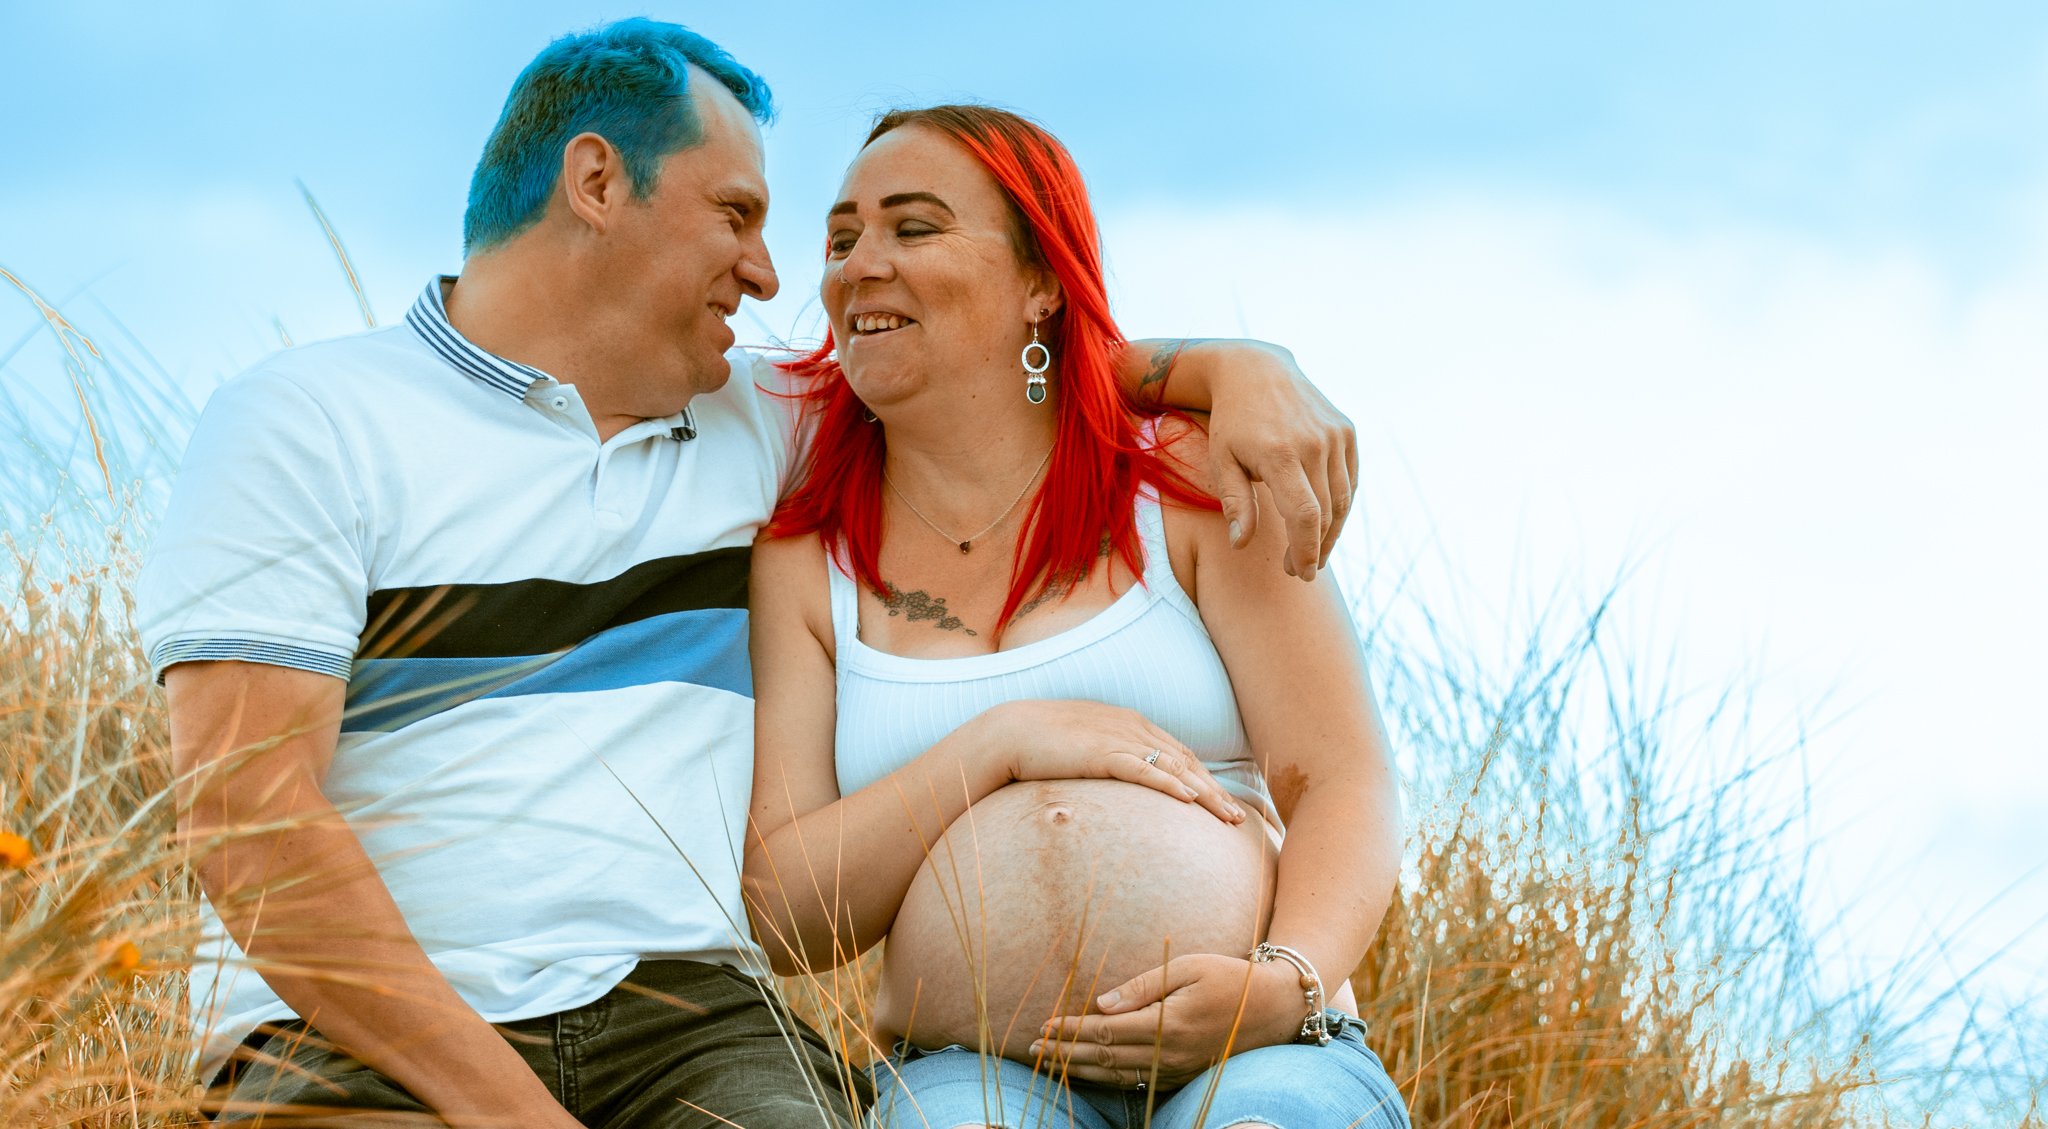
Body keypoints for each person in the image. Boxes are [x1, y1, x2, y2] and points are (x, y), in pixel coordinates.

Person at [139, 20, 1361, 1129]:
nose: (777, 276)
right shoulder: (306, 422)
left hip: (684, 1028)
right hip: (364, 1034)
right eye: (736, 215)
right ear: (597, 183)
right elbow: (254, 828)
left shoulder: (769, 418)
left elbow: (992, 361)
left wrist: (1237, 366)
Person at [743, 106, 1408, 1129]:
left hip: (1256, 1049)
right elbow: (785, 911)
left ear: (1038, 282)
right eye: (839, 239)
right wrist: (999, 745)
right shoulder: (804, 553)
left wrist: (1285, 983)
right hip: (969, 1068)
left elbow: (1340, 779)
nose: (855, 265)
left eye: (912, 228)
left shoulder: (1185, 476)